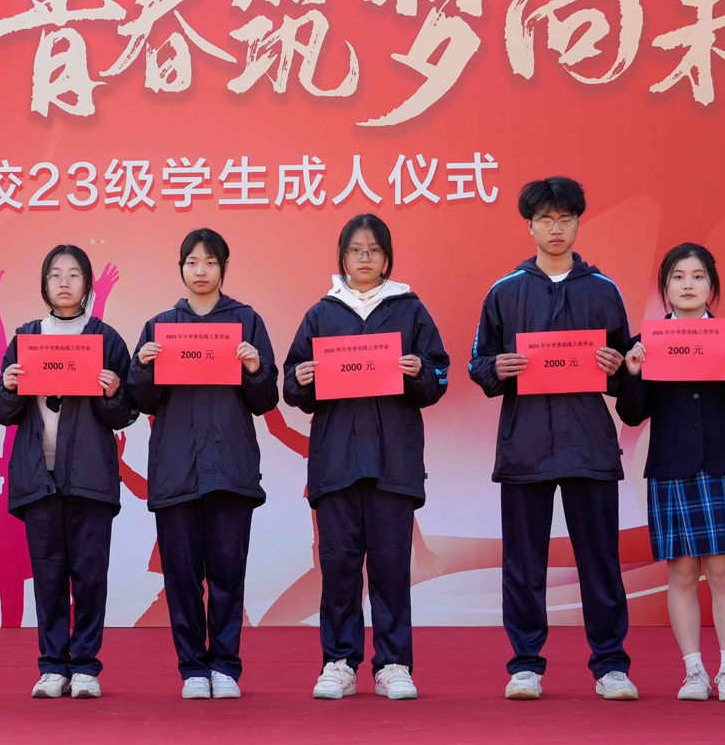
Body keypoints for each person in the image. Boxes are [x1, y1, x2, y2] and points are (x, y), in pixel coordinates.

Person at [468, 176, 636, 702]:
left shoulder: (603, 289)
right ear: (530, 226)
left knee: (600, 560)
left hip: (589, 443)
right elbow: (478, 362)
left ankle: (610, 665)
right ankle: (525, 666)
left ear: (578, 222)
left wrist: (618, 366)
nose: (555, 228)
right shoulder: (504, 290)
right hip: (526, 444)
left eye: (565, 219)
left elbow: (628, 367)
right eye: (545, 219)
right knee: (523, 563)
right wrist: (496, 367)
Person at [284, 214, 449, 701]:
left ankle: (393, 664)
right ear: (342, 257)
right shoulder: (322, 313)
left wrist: (419, 372)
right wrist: (303, 378)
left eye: (374, 250)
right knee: (338, 567)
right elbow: (291, 384)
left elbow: (438, 377)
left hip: (392, 461)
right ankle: (338, 663)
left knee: (392, 566)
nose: (364, 258)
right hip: (336, 462)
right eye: (356, 250)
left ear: (387, 257)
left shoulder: (409, 309)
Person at [128, 229, 279, 698]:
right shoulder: (160, 327)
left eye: (210, 262)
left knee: (228, 573)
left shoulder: (246, 321)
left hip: (230, 468)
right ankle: (193, 668)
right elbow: (141, 401)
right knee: (182, 577)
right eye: (192, 262)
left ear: (223, 268)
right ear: (180, 268)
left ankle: (225, 668)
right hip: (176, 470)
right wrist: (143, 368)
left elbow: (266, 399)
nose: (200, 271)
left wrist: (254, 369)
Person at [617, 243, 725, 702]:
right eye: (678, 277)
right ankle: (694, 672)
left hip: (724, 464)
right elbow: (631, 415)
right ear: (665, 286)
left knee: (722, 571)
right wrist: (633, 373)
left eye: (697, 276)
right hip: (672, 467)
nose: (687, 285)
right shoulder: (646, 340)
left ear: (711, 285)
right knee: (681, 573)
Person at [0, 245, 135, 698]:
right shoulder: (26, 338)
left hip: (90, 477)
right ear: (45, 284)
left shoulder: (106, 339)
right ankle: (53, 666)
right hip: (39, 477)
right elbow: (3, 412)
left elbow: (126, 412)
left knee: (89, 575)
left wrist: (113, 392)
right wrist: (8, 387)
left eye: (74, 274)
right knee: (49, 575)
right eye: (55, 274)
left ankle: (86, 666)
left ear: (87, 284)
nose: (65, 282)